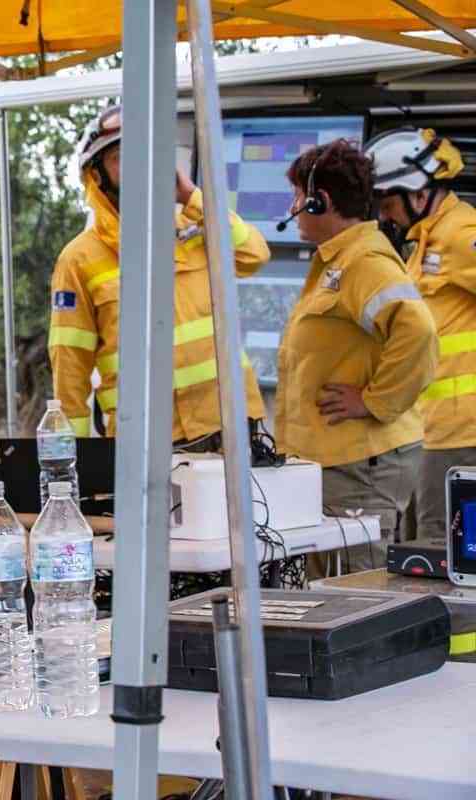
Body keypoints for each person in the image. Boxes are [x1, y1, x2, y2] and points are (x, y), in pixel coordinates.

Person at [49, 105, 271, 449]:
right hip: (145, 441)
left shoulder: (197, 228)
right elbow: (70, 366)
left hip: (228, 427)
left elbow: (254, 255)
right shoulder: (78, 259)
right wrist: (72, 460)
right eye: (122, 156)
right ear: (97, 176)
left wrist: (191, 197)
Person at [275, 139, 437, 573]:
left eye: (297, 195)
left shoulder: (364, 261)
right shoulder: (338, 261)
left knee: (358, 599)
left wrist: (373, 401)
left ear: (319, 200)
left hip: (360, 468)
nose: (293, 207)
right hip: (338, 464)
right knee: (334, 596)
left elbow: (418, 329)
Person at [364, 128, 476, 541]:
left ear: (417, 192)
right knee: (422, 547)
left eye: (389, 203)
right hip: (429, 430)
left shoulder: (462, 236)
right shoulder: (428, 241)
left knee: (443, 544)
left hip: (460, 433)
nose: (384, 215)